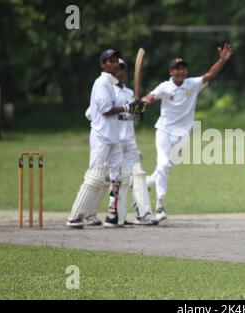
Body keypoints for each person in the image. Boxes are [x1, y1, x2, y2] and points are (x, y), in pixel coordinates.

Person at [142, 43, 233, 222]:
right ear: (171, 72)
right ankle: (160, 205)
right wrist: (141, 102)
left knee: (167, 165)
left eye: (183, 68)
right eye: (177, 69)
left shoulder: (192, 84)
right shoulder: (164, 87)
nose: (180, 71)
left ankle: (147, 183)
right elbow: (150, 97)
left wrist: (221, 60)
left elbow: (210, 74)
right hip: (164, 131)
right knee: (162, 164)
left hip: (183, 133)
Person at [67, 49, 144, 228]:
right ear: (103, 64)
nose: (115, 63)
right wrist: (127, 107)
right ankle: (76, 216)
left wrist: (133, 111)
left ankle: (114, 215)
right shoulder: (101, 83)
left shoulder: (110, 85)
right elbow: (105, 110)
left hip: (113, 138)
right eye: (110, 61)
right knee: (95, 175)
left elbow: (115, 113)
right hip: (101, 137)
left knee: (120, 177)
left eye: (116, 60)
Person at [84, 58, 157, 226]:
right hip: (111, 140)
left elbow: (134, 118)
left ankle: (142, 213)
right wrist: (124, 112)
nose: (120, 71)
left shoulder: (130, 93)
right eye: (118, 68)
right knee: (105, 177)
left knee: (137, 175)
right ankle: (95, 214)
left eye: (123, 68)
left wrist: (138, 111)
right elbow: (91, 114)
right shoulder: (106, 89)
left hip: (129, 140)